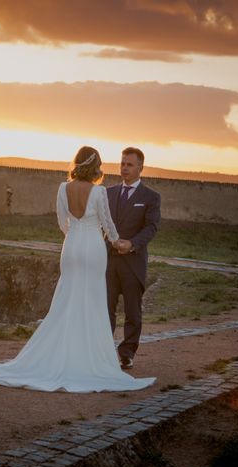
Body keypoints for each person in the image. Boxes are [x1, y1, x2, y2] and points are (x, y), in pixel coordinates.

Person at [0, 146, 155, 392]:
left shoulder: (62, 188)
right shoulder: (99, 192)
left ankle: (62, 351)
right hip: (92, 248)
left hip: (71, 247)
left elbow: (61, 222)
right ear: (95, 166)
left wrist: (75, 237)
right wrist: (114, 241)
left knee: (66, 299)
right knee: (93, 301)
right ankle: (89, 355)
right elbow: (108, 225)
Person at [105, 147, 161, 370]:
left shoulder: (151, 197)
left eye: (129, 164)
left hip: (133, 262)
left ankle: (127, 353)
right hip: (108, 261)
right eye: (122, 163)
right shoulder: (107, 193)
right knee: (105, 310)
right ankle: (104, 351)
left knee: (132, 311)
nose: (124, 168)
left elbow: (152, 227)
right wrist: (109, 240)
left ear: (140, 167)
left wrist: (132, 244)